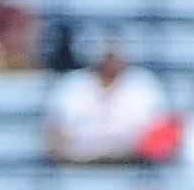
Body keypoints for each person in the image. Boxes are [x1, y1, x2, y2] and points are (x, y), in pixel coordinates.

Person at [44, 43, 173, 167]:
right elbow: (54, 137)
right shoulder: (71, 84)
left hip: (134, 168)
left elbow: (162, 135)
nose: (110, 56)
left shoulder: (144, 84)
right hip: (77, 170)